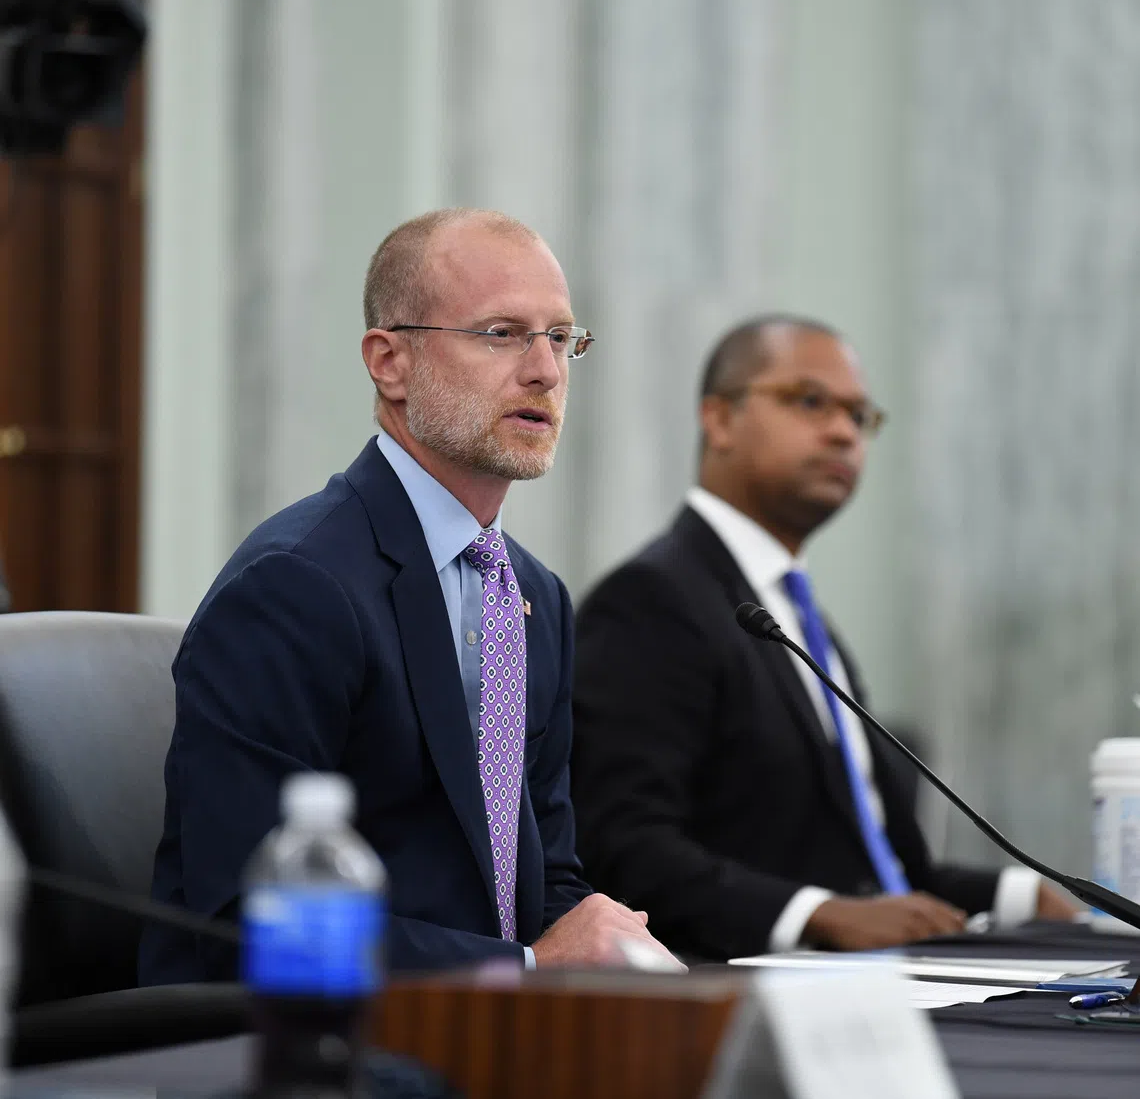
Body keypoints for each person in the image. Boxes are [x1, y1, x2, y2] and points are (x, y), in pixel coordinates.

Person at [139, 208, 680, 983]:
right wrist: (527, 966)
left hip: (487, 1036)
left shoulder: (533, 597)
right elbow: (251, 925)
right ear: (389, 361)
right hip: (297, 1049)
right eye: (501, 333)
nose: (546, 372)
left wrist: (608, 949)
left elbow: (546, 875)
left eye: (561, 338)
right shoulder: (295, 589)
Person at [570, 315, 1074, 960]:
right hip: (743, 999)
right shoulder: (653, 599)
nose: (842, 431)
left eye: (859, 416)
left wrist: (1020, 894)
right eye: (809, 402)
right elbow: (623, 846)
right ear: (719, 419)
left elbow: (888, 876)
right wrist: (815, 915)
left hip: (887, 974)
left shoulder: (795, 615)